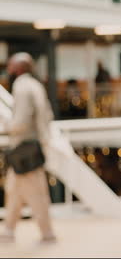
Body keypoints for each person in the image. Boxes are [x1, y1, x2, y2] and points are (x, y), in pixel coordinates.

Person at [0, 52, 56, 244]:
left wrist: (6, 126)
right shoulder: (36, 85)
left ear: (18, 68)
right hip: (34, 146)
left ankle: (47, 233)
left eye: (10, 66)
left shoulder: (21, 87)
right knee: (14, 189)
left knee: (36, 193)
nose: (7, 69)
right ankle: (8, 230)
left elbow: (20, 122)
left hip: (24, 149)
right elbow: (47, 115)